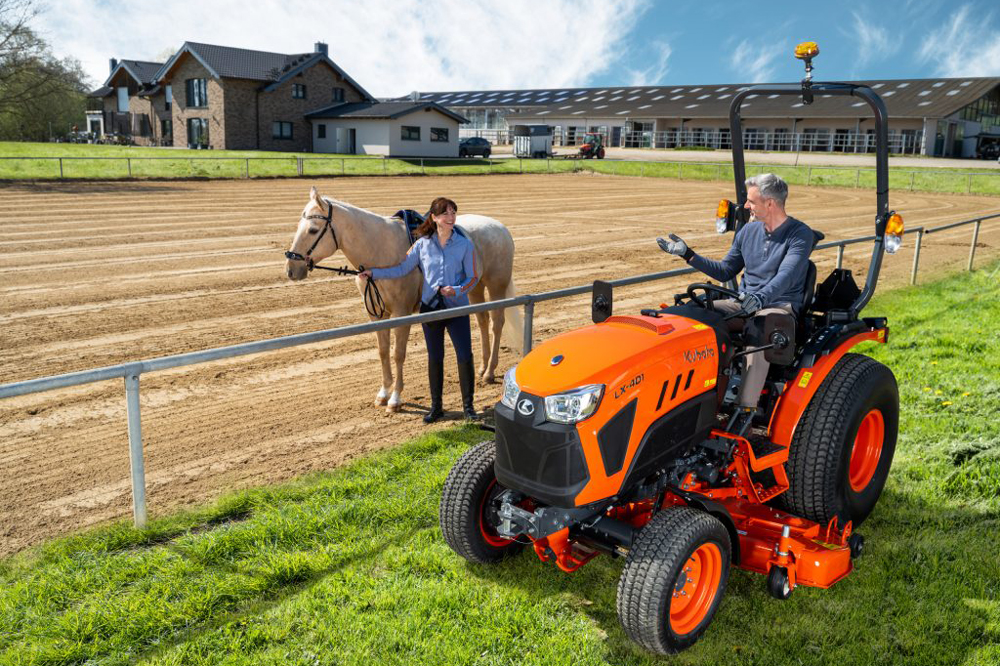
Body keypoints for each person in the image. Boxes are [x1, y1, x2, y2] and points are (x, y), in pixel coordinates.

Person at [657, 173, 815, 429]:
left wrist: (760, 297)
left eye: (751, 201)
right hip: (744, 302)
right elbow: (724, 270)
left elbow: (786, 276)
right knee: (691, 314)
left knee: (760, 326)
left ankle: (745, 411)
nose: (745, 206)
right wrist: (688, 254)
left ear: (770, 204)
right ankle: (691, 396)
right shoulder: (747, 232)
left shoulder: (799, 234)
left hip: (779, 305)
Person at [359, 197, 480, 423]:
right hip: (430, 309)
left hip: (457, 309)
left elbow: (474, 277)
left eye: (453, 213)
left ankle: (469, 408)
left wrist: (457, 289)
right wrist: (374, 273)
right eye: (446, 214)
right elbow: (402, 268)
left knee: (464, 356)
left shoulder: (465, 245)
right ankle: (436, 408)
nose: (451, 218)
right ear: (434, 218)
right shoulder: (422, 244)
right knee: (435, 357)